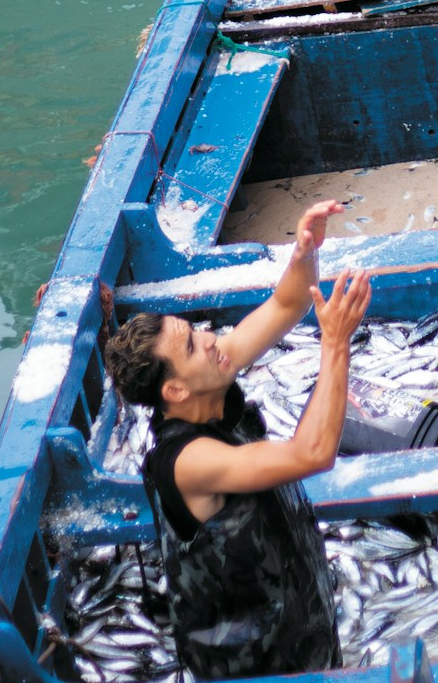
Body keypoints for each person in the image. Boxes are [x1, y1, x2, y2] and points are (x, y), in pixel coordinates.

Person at [104, 200, 370, 680]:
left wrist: (304, 249)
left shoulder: (209, 377)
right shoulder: (188, 462)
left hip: (298, 624)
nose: (210, 339)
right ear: (174, 391)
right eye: (191, 346)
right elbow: (313, 453)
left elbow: (285, 305)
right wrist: (334, 343)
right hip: (251, 666)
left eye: (195, 330)